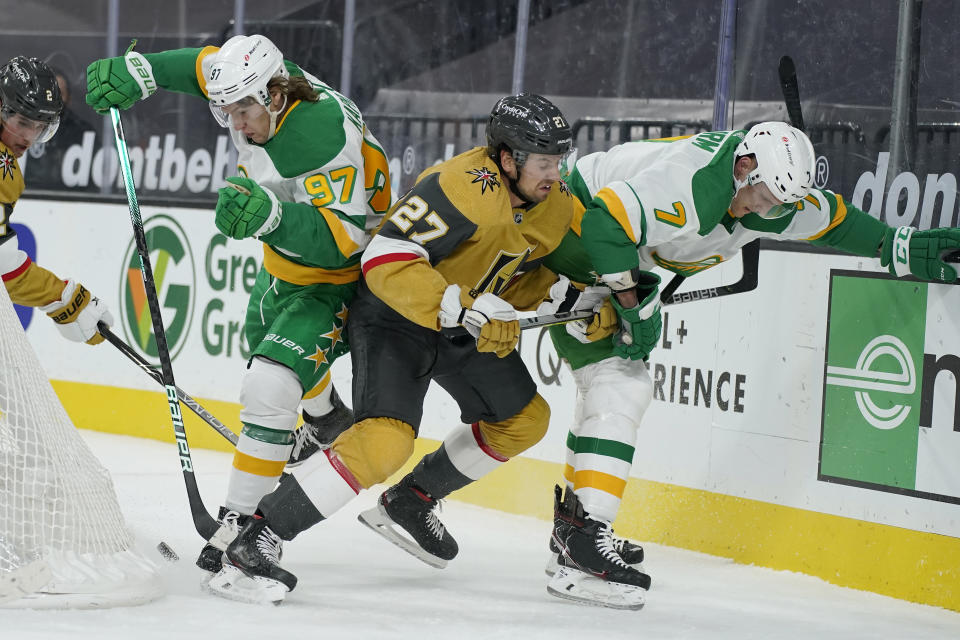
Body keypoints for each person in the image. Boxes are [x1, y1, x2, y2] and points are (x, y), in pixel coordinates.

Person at [538, 120, 960, 609]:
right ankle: (581, 543)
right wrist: (633, 301)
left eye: (780, 202)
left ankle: (574, 533)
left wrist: (897, 245)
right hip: (569, 227)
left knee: (605, 386)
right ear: (743, 167)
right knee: (621, 384)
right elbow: (604, 224)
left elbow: (834, 219)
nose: (769, 209)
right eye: (765, 196)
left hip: (608, 248)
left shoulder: (769, 195)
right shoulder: (694, 184)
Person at [205, 93, 604, 604]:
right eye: (544, 162)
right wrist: (457, 306)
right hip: (394, 317)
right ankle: (259, 537)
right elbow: (386, 257)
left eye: (559, 161)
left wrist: (580, 299)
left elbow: (521, 272)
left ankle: (412, 501)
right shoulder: (461, 187)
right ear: (507, 159)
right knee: (384, 443)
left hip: (461, 322)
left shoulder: (556, 206)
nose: (555, 173)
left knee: (525, 419)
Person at [84, 34, 391, 577]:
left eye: (243, 112)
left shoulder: (317, 140)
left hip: (339, 278)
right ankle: (324, 419)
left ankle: (243, 520)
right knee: (262, 346)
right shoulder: (256, 78)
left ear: (275, 96)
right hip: (283, 269)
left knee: (270, 386)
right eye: (225, 113)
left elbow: (343, 239)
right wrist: (142, 71)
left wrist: (272, 218)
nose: (236, 126)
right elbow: (202, 67)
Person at [1, 56, 112, 344]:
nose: (28, 137)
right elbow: (3, 266)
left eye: (39, 127)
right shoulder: (3, 171)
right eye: (23, 122)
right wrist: (64, 299)